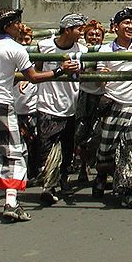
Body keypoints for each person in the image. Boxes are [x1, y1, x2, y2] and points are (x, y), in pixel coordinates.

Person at [0, 7, 78, 222]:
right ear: (9, 25)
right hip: (1, 104)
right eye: (17, 23)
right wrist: (59, 71)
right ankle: (11, 203)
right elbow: (34, 76)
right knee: (14, 153)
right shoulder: (15, 49)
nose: (21, 26)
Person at [93, 7, 132, 209]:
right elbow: (100, 79)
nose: (129, 26)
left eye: (131, 22)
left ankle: (128, 192)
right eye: (125, 23)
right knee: (106, 149)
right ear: (115, 27)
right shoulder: (105, 50)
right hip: (114, 103)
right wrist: (104, 76)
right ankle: (101, 175)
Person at [34, 13, 88, 205]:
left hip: (70, 105)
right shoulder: (44, 46)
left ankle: (62, 177)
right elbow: (36, 70)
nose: (82, 32)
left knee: (67, 148)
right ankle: (48, 185)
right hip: (47, 103)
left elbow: (88, 72)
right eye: (79, 29)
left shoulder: (83, 49)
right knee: (47, 147)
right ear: (67, 30)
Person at [75, 20, 107, 183]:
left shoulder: (106, 51)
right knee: (81, 132)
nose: (94, 37)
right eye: (91, 34)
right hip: (85, 95)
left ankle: (99, 167)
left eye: (98, 35)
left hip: (102, 95)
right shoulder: (80, 51)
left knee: (100, 133)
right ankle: (83, 165)